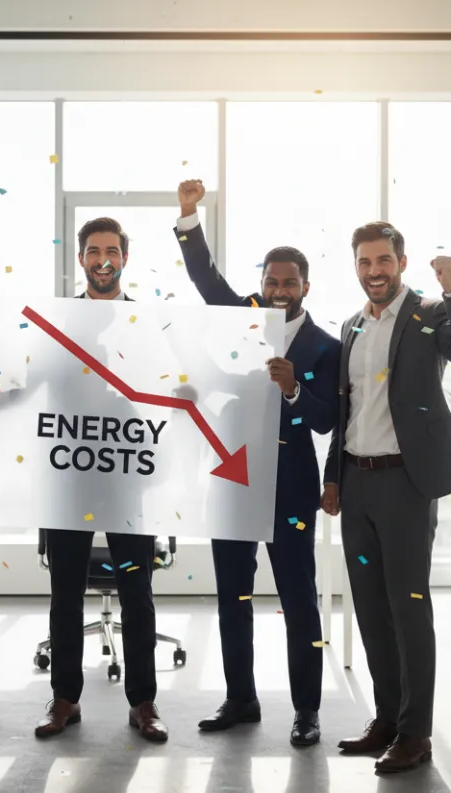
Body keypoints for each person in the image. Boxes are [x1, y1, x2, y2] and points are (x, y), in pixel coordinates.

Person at [173, 179, 341, 747]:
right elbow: (204, 279)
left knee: (300, 601)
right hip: (235, 480)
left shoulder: (326, 346)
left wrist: (295, 390)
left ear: (305, 287)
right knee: (232, 597)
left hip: (291, 488)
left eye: (289, 282)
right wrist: (190, 215)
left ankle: (307, 710)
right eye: (271, 280)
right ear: (261, 283)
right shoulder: (238, 315)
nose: (278, 289)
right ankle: (240, 698)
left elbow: (326, 421)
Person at [321, 222, 451, 774]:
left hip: (406, 485)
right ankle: (388, 718)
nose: (375, 271)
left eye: (384, 261)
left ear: (402, 261)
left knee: (408, 610)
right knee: (369, 608)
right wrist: (333, 478)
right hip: (358, 483)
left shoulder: (430, 314)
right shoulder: (349, 327)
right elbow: (348, 413)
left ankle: (417, 733)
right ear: (356, 267)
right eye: (365, 263)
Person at [33, 217, 167, 743]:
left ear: (124, 259)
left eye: (112, 250)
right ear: (82, 259)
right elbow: (33, 384)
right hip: (69, 477)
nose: (103, 259)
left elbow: (165, 389)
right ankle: (64, 698)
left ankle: (144, 702)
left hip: (127, 479)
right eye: (94, 250)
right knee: (64, 592)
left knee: (138, 592)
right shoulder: (56, 322)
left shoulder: (147, 322)